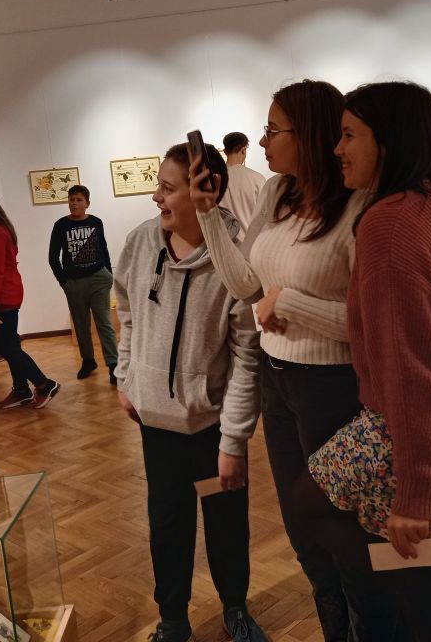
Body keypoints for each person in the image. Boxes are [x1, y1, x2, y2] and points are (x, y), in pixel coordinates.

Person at [299, 82, 431, 641]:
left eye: (349, 135)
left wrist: (414, 495)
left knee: (312, 506)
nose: (337, 148)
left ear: (388, 141)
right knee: (411, 555)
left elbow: (414, 372)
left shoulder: (390, 224)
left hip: (428, 431)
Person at [191, 80, 375, 641]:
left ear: (310, 133)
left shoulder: (360, 203)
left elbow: (372, 324)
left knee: (341, 524)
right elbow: (247, 285)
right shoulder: (276, 191)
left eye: (274, 129)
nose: (264, 141)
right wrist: (208, 214)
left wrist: (290, 304)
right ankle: (334, 625)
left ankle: (367, 623)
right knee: (302, 528)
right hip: (279, 380)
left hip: (334, 387)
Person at [114, 143, 267, 642]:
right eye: (158, 185)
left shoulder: (236, 258)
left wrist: (234, 440)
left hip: (211, 430)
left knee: (226, 522)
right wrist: (126, 375)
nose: (156, 197)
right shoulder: (141, 242)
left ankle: (235, 608)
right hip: (156, 425)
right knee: (167, 523)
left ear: (206, 192)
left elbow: (247, 357)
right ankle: (173, 620)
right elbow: (127, 311)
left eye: (166, 187)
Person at [0, 188, 60, 409]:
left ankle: (44, 384)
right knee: (8, 345)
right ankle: (21, 390)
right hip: (2, 298)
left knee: (7, 347)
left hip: (4, 299)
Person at [49, 184, 119, 383]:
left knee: (104, 323)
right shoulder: (60, 225)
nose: (74, 203)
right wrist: (64, 282)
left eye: (79, 200)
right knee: (81, 326)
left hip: (98, 279)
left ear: (87, 203)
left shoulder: (96, 222)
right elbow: (53, 257)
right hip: (74, 283)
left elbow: (103, 248)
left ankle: (113, 365)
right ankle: (88, 361)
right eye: (71, 200)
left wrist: (108, 273)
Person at [218, 131, 266, 239]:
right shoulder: (258, 178)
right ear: (244, 150)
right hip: (251, 244)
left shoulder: (215, 181)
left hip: (224, 244)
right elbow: (266, 216)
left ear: (225, 151)